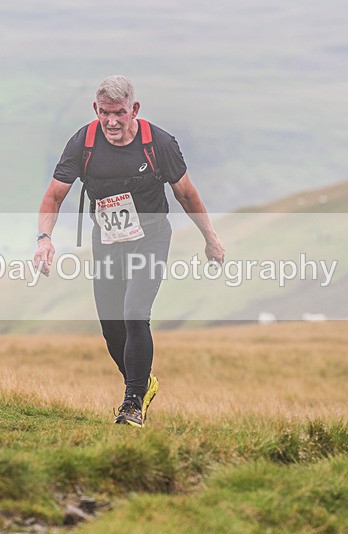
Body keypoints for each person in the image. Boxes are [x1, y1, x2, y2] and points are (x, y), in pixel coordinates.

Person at [34, 75, 225, 427]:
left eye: (119, 113)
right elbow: (54, 195)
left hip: (150, 238)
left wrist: (210, 238)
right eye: (105, 113)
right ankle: (142, 382)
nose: (112, 122)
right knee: (112, 327)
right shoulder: (84, 142)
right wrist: (43, 239)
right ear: (96, 110)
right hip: (106, 241)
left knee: (135, 312)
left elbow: (186, 193)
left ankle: (132, 404)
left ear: (134, 109)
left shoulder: (159, 143)